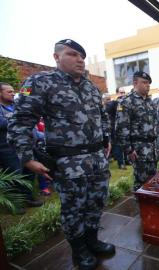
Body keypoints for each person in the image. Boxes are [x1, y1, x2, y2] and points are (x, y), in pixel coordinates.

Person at [7, 39, 115, 270]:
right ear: (56, 57)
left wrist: (106, 140)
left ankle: (92, 240)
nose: (80, 59)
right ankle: (79, 250)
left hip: (97, 159)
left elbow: (102, 116)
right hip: (68, 162)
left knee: (96, 202)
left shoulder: (90, 87)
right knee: (74, 208)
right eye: (73, 54)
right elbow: (19, 121)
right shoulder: (39, 82)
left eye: (82, 56)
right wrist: (27, 158)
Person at [0, 82, 42, 214]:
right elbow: (5, 123)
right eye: (9, 91)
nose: (13, 93)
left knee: (29, 174)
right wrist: (21, 119)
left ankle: (28, 199)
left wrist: (29, 84)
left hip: (26, 147)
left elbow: (25, 94)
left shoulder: (16, 106)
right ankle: (15, 205)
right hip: (8, 150)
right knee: (15, 176)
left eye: (13, 91)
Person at [115, 71, 159, 192]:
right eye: (144, 82)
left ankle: (151, 206)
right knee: (140, 182)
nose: (148, 85)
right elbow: (121, 128)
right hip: (139, 149)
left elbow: (155, 125)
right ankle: (140, 206)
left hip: (152, 148)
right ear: (135, 83)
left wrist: (158, 145)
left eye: (149, 83)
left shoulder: (150, 102)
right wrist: (129, 150)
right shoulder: (126, 102)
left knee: (152, 179)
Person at [105, 87, 127, 170]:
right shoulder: (114, 103)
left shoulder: (127, 102)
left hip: (125, 128)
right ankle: (121, 163)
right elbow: (107, 110)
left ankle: (127, 161)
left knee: (125, 145)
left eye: (124, 92)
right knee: (118, 146)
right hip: (116, 129)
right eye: (121, 92)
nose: (123, 94)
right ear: (117, 93)